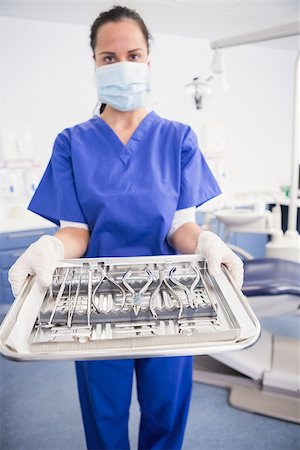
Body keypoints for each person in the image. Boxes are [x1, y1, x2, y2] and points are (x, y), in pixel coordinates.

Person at [8, 5, 244, 450]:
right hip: (95, 303)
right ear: (95, 63)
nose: (122, 66)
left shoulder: (178, 138)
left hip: (173, 300)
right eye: (109, 57)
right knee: (104, 417)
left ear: (149, 59)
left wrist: (208, 242)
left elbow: (181, 228)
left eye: (133, 55)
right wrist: (49, 250)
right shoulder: (72, 142)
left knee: (165, 413)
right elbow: (76, 230)